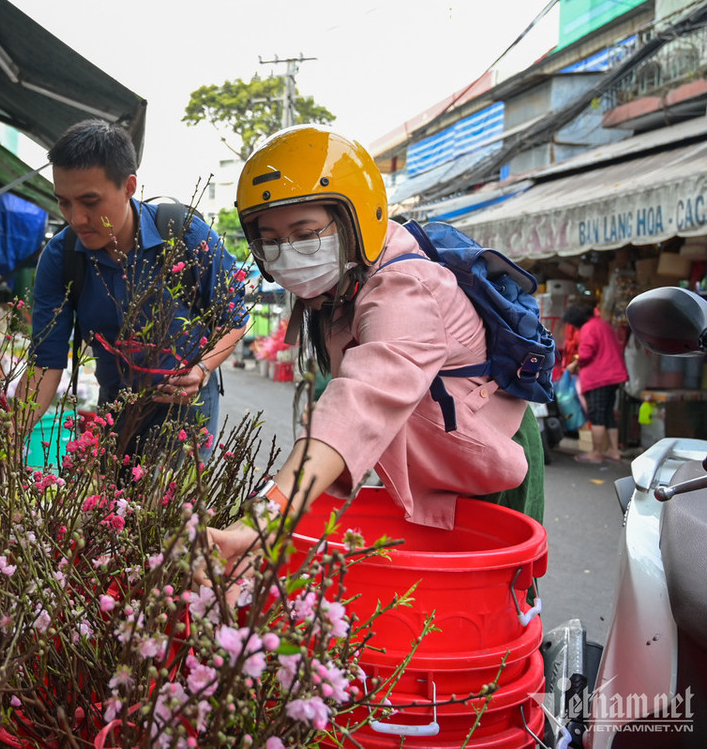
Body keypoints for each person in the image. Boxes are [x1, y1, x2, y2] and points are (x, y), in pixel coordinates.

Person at [210, 126, 545, 567]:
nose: (287, 253)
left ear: (356, 219)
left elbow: (362, 400)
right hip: (438, 468)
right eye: (270, 241)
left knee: (498, 607)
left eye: (305, 233)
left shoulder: (407, 288)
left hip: (488, 462)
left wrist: (271, 510)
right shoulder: (339, 289)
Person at [20, 119, 248, 456]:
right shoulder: (61, 257)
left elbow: (234, 317)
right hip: (116, 403)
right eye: (64, 202)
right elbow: (46, 361)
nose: (76, 218)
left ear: (129, 187)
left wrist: (201, 370)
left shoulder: (186, 236)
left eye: (90, 202)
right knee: (113, 505)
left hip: (185, 403)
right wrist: (9, 433)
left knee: (172, 505)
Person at [562, 302, 628, 463]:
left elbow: (585, 354)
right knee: (608, 414)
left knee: (597, 414)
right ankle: (614, 450)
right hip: (613, 375)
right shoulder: (602, 325)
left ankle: (596, 452)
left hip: (599, 376)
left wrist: (574, 365)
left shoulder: (588, 328)